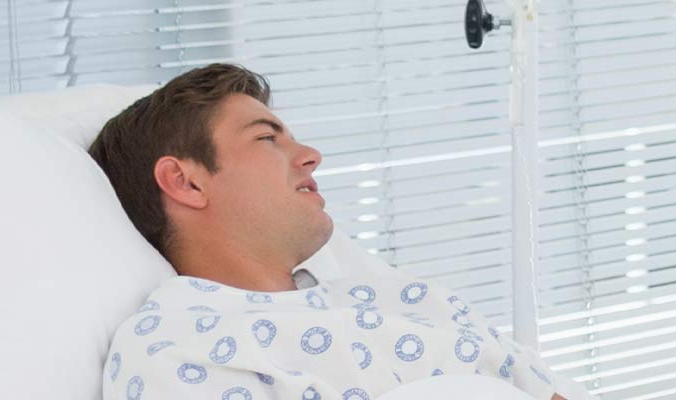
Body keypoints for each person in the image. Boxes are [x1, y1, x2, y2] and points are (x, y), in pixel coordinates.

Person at [88, 64, 567, 399]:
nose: (311, 154)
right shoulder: (174, 347)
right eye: (266, 137)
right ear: (186, 181)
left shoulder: (408, 300)